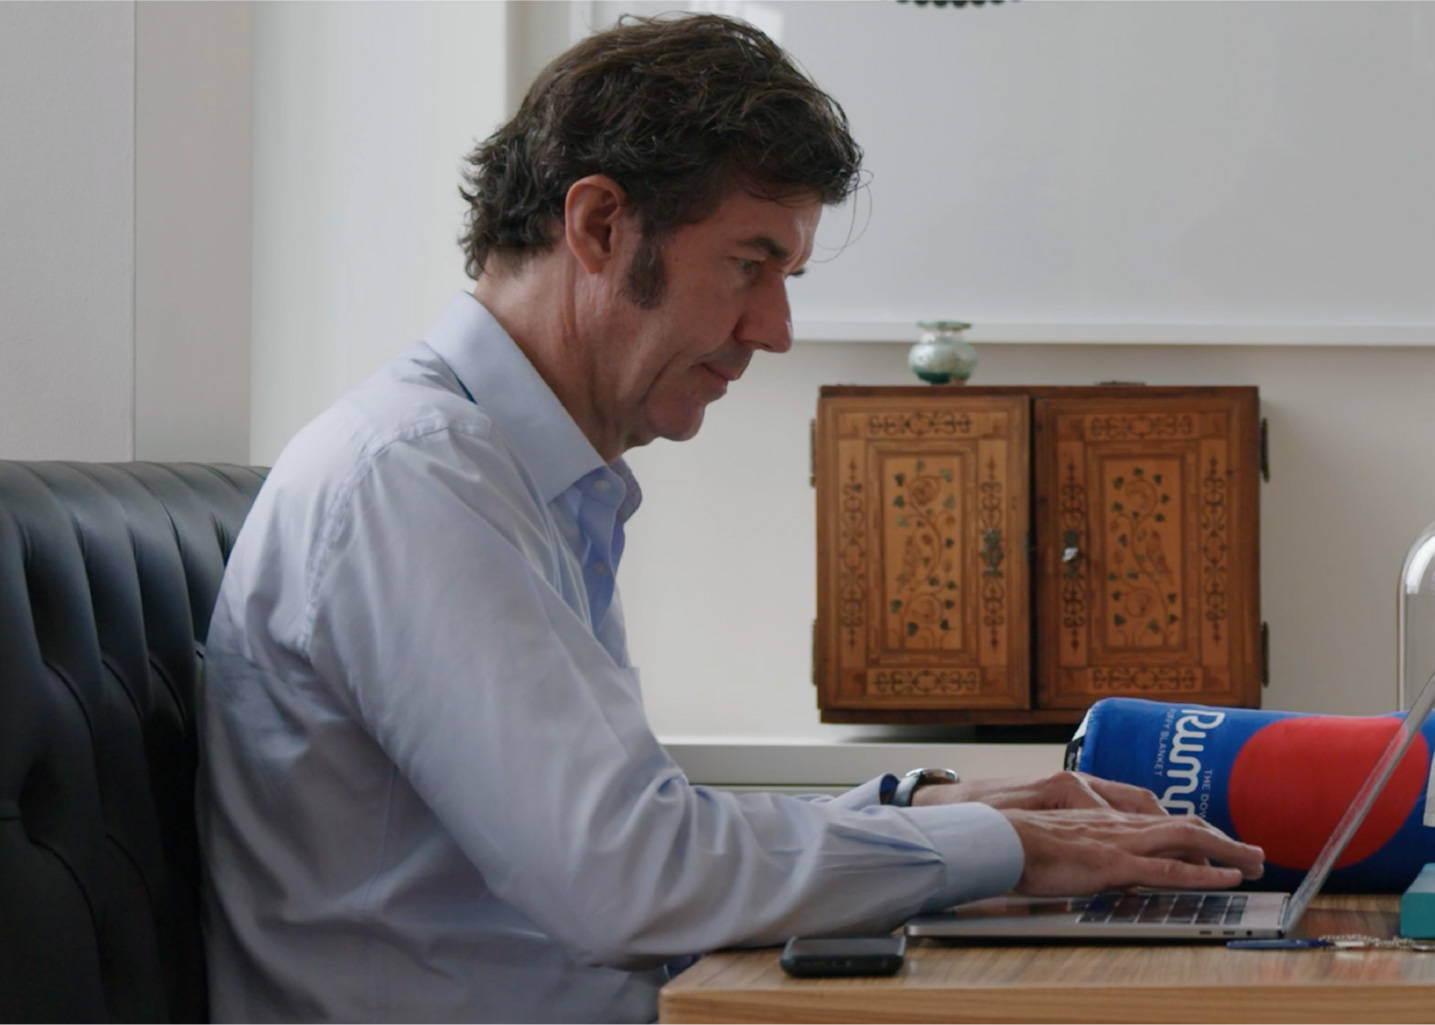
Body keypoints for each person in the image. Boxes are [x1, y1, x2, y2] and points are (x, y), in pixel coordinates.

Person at [196, 13, 1262, 1023]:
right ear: (601, 225)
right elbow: (625, 874)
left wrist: (917, 806)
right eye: (751, 265)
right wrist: (1003, 845)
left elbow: (634, 838)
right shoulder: (417, 478)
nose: (776, 329)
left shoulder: (513, 474)